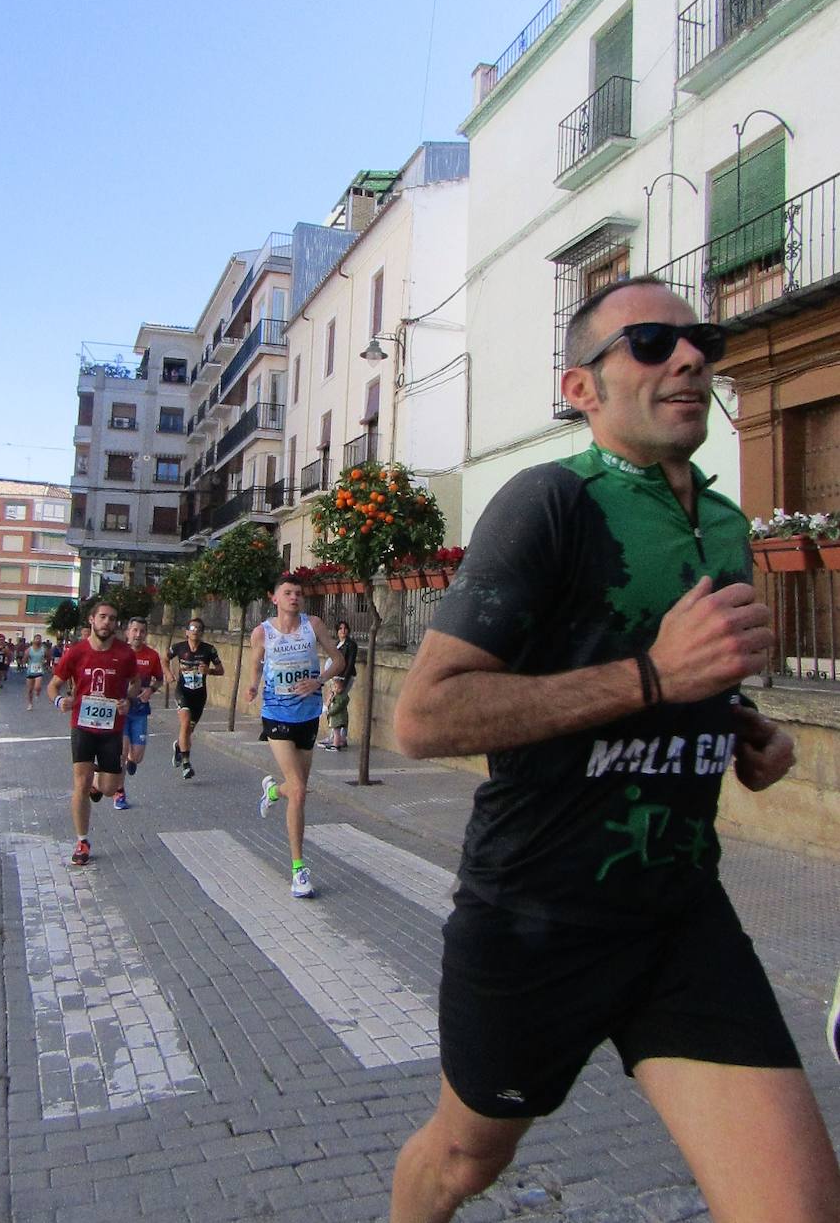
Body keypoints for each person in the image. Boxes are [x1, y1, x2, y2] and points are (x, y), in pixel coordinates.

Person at [387, 277, 840, 1223]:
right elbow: (425, 717)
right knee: (461, 1163)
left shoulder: (725, 524)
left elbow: (678, 677)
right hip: (536, 918)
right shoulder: (548, 503)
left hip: (680, 914)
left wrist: (738, 725)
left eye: (700, 341)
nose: (690, 357)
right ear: (579, 388)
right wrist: (656, 677)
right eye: (650, 343)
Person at [247, 574, 343, 898]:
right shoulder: (262, 632)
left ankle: (273, 791)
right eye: (287, 592)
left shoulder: (313, 625)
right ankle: (298, 870)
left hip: (308, 715)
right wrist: (252, 685)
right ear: (274, 598)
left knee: (297, 790)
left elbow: (339, 660)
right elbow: (255, 664)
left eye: (298, 593)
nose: (294, 597)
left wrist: (319, 681)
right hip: (276, 715)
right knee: (300, 790)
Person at [47, 600, 139, 866]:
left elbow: (135, 682)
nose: (107, 622)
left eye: (112, 618)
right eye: (102, 617)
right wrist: (59, 701)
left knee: (109, 788)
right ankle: (82, 841)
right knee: (81, 783)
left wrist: (128, 700)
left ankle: (98, 784)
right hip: (82, 726)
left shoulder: (124, 653)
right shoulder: (76, 652)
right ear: (92, 620)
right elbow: (54, 686)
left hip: (112, 729)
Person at [164, 616, 224, 780]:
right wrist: (168, 673)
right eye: (192, 628)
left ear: (202, 633)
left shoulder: (209, 650)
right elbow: (165, 659)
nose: (195, 631)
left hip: (199, 694)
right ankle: (186, 764)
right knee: (185, 723)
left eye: (198, 628)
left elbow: (221, 670)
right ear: (187, 632)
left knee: (188, 731)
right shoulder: (178, 647)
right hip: (183, 692)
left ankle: (179, 746)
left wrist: (209, 671)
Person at [115, 616, 163, 810]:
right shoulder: (118, 653)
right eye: (134, 630)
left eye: (142, 631)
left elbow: (159, 679)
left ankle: (131, 760)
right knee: (121, 752)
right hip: (121, 712)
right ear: (127, 632)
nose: (138, 634)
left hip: (140, 712)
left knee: (137, 756)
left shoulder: (152, 656)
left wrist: (150, 690)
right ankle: (119, 793)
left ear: (146, 634)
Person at [322, 620, 357, 749]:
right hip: (335, 677)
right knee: (333, 703)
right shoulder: (337, 644)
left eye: (345, 628)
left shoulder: (351, 645)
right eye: (340, 628)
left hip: (343, 678)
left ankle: (340, 737)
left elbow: (350, 664)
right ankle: (334, 736)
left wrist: (343, 681)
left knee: (339, 704)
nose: (343, 631)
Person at [322, 677, 349, 752]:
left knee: (336, 732)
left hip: (337, 718)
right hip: (338, 718)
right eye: (334, 687)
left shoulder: (340, 698)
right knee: (338, 732)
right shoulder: (337, 696)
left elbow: (336, 707)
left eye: (336, 687)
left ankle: (336, 745)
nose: (334, 689)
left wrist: (329, 712)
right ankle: (341, 742)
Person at [24, 633, 49, 710]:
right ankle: (30, 703)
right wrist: (25, 662)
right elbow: (25, 659)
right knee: (29, 689)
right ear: (33, 640)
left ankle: (37, 692)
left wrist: (46, 663)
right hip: (30, 671)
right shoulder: (29, 650)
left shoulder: (43, 649)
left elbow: (48, 657)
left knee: (37, 686)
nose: (38, 640)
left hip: (39, 671)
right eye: (37, 639)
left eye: (39, 639)